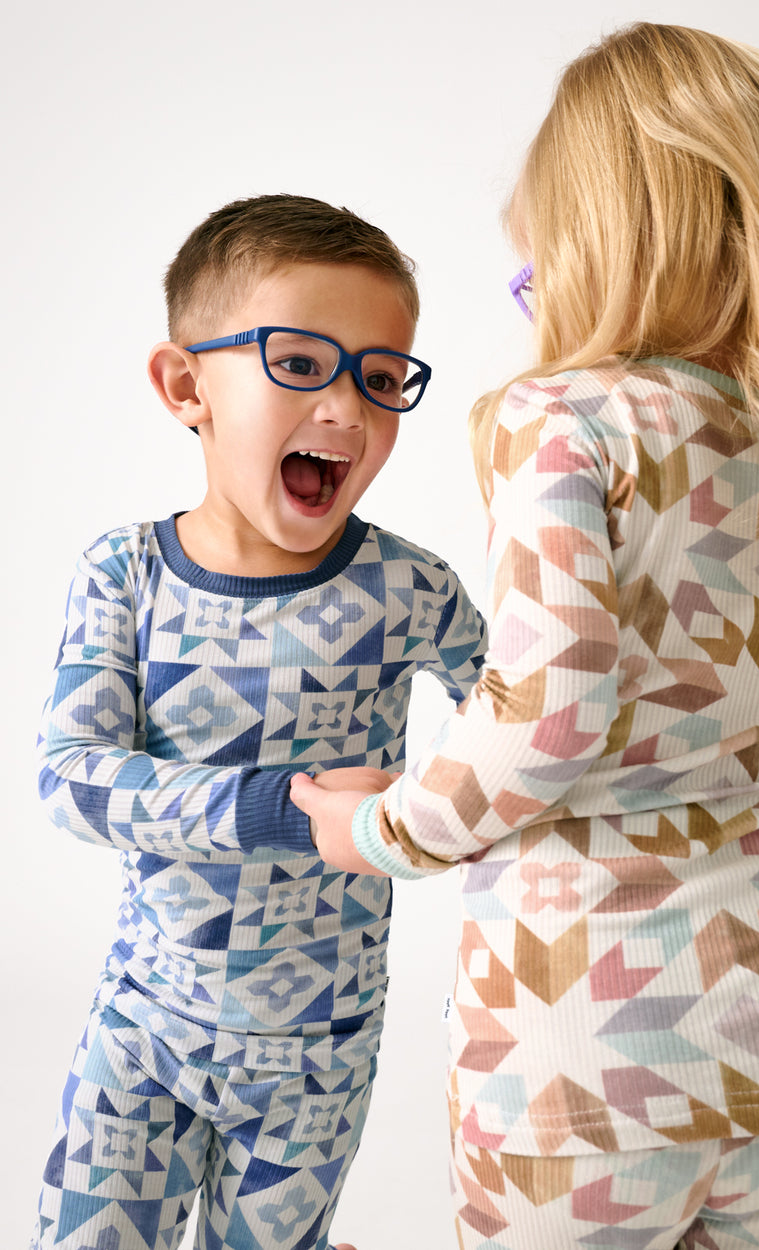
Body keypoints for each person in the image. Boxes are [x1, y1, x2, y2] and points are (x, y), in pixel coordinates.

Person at [289, 24, 759, 1250]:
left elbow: (544, 718)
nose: (534, 304)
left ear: (603, 249)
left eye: (534, 275)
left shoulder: (560, 418)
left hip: (583, 1055)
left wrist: (382, 827)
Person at [31, 194, 486, 1250]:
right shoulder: (124, 572)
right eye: (300, 363)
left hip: (319, 1056)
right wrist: (288, 809)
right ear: (185, 386)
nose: (347, 411)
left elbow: (523, 725)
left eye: (381, 379)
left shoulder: (410, 587)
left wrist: (437, 817)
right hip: (142, 1030)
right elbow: (71, 777)